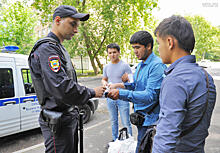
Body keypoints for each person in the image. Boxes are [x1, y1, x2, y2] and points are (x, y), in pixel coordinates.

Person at [28, 5, 105, 153]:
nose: (76, 30)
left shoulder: (58, 48)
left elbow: (66, 81)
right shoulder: (47, 49)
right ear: (58, 20)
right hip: (58, 120)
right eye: (73, 24)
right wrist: (91, 92)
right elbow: (61, 87)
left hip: (67, 117)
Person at [152, 15, 217, 153]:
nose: (158, 49)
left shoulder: (175, 79)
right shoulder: (206, 77)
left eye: (158, 43)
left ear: (169, 42)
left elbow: (166, 138)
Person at [107, 31, 166, 153]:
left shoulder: (157, 66)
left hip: (151, 121)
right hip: (141, 119)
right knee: (140, 147)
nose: (135, 51)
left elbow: (150, 95)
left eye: (137, 47)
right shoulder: (140, 66)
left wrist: (120, 93)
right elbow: (137, 86)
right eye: (133, 48)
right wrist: (123, 85)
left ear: (148, 46)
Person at [102, 43, 132, 142]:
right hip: (110, 97)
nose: (112, 55)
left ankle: (129, 142)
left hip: (122, 97)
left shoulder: (125, 66)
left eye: (114, 52)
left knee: (126, 122)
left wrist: (117, 85)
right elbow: (104, 79)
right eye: (110, 53)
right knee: (113, 121)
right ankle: (115, 141)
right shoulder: (106, 67)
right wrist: (104, 83)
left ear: (119, 52)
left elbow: (131, 83)